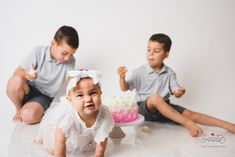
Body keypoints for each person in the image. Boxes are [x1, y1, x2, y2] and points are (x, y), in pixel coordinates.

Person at [117, 33, 235, 137]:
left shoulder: (170, 73)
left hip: (164, 108)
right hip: (144, 109)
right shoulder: (139, 71)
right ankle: (188, 123)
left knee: (190, 114)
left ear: (166, 54)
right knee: (155, 98)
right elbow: (125, 88)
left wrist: (178, 92)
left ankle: (228, 125)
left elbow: (176, 91)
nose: (151, 54)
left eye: (156, 51)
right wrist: (122, 78)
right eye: (148, 50)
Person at [6, 25, 79, 124]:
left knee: (28, 116)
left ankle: (40, 112)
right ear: (53, 43)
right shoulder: (38, 51)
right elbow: (16, 73)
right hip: (28, 89)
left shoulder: (70, 61)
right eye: (64, 53)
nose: (67, 58)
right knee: (15, 80)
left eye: (71, 54)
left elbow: (70, 83)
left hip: (44, 96)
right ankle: (19, 109)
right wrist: (26, 74)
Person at [34, 69, 114, 157]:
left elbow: (102, 136)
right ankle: (42, 138)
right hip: (61, 136)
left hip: (85, 138)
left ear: (100, 93)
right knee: (52, 149)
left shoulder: (103, 114)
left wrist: (99, 154)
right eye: (80, 95)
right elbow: (60, 139)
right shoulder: (68, 117)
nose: (88, 99)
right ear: (70, 100)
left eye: (93, 93)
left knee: (89, 148)